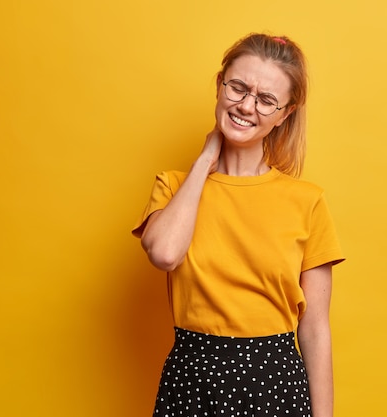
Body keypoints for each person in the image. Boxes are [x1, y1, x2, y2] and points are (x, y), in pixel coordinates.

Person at [132, 33, 344, 417]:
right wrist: (205, 160)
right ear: (219, 85)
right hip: (192, 379)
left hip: (275, 382)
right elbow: (164, 253)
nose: (247, 106)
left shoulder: (307, 202)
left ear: (286, 113)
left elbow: (315, 330)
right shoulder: (173, 187)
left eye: (266, 100)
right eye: (238, 88)